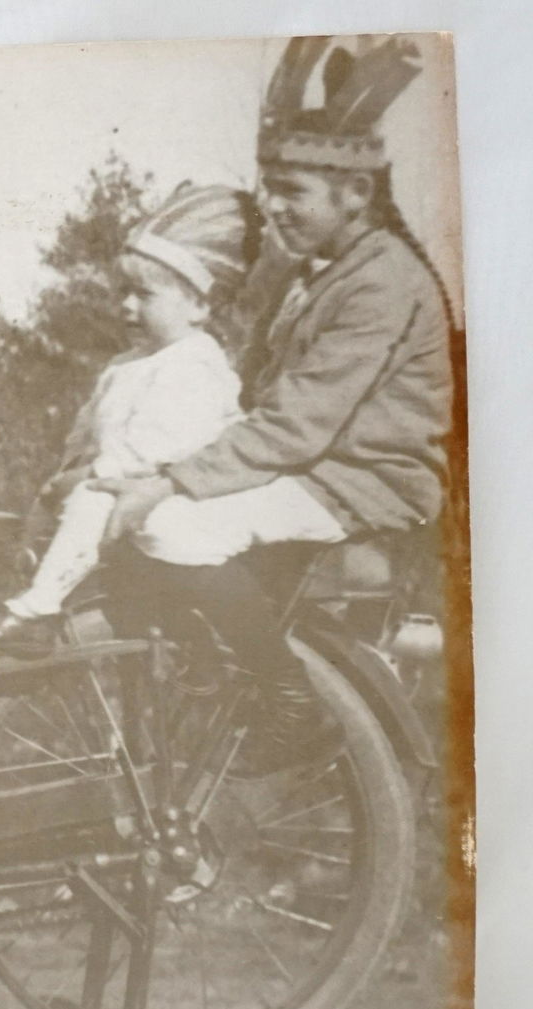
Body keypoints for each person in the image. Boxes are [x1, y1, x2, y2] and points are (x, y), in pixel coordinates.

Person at [89, 36, 455, 762]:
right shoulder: (318, 276)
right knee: (149, 524)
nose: (275, 209)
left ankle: (289, 695)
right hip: (317, 472)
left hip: (363, 484)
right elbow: (264, 404)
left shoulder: (382, 281)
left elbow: (296, 424)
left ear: (357, 193)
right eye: (270, 189)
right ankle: (215, 670)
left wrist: (171, 480)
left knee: (173, 528)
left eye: (294, 193)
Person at [0, 184, 256, 655]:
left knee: (93, 501)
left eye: (145, 295)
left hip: (185, 498)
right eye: (124, 293)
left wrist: (91, 475)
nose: (127, 307)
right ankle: (30, 582)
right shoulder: (127, 364)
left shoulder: (195, 364)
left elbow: (155, 447)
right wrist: (65, 475)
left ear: (199, 305)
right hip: (126, 490)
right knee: (60, 505)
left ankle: (38, 609)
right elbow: (88, 431)